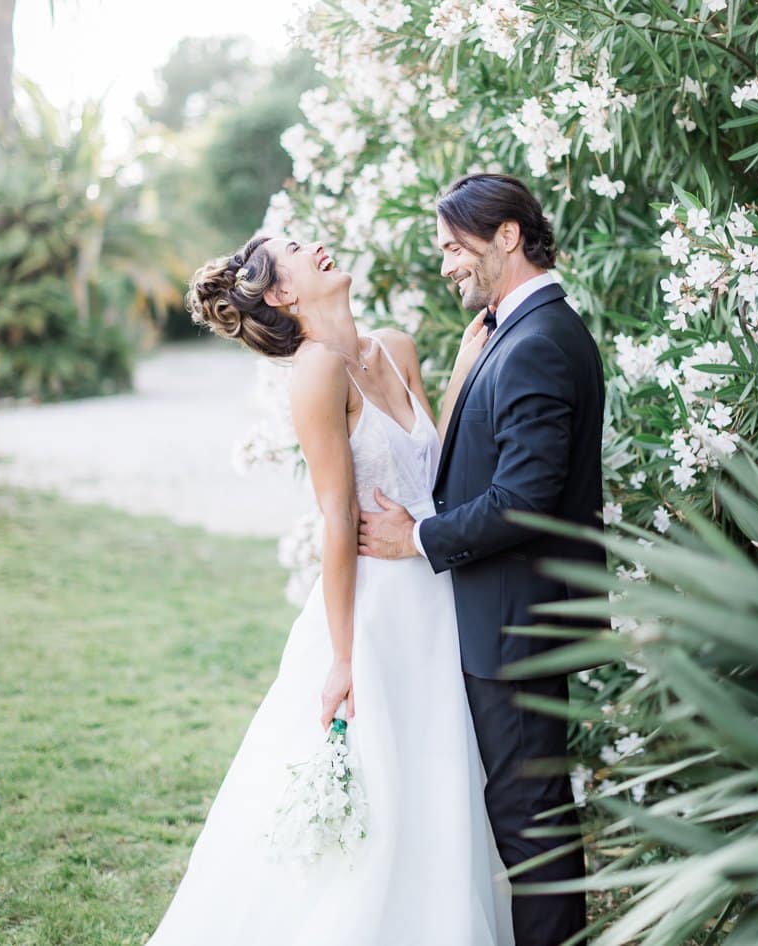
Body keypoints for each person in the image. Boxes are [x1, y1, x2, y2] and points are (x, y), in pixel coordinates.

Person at [152, 233, 513, 945]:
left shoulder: (395, 347)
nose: (317, 244)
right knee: (375, 792)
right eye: (295, 248)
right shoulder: (315, 373)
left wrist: (465, 368)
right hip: (374, 615)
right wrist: (344, 658)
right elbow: (334, 517)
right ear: (282, 295)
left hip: (434, 602)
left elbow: (428, 470)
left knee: (434, 788)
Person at [358, 172, 604, 944]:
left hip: (518, 627)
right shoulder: (518, 333)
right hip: (509, 619)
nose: (445, 264)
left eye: (452, 246)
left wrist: (416, 539)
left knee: (534, 833)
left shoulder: (537, 342)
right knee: (528, 821)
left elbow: (524, 496)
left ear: (507, 236)